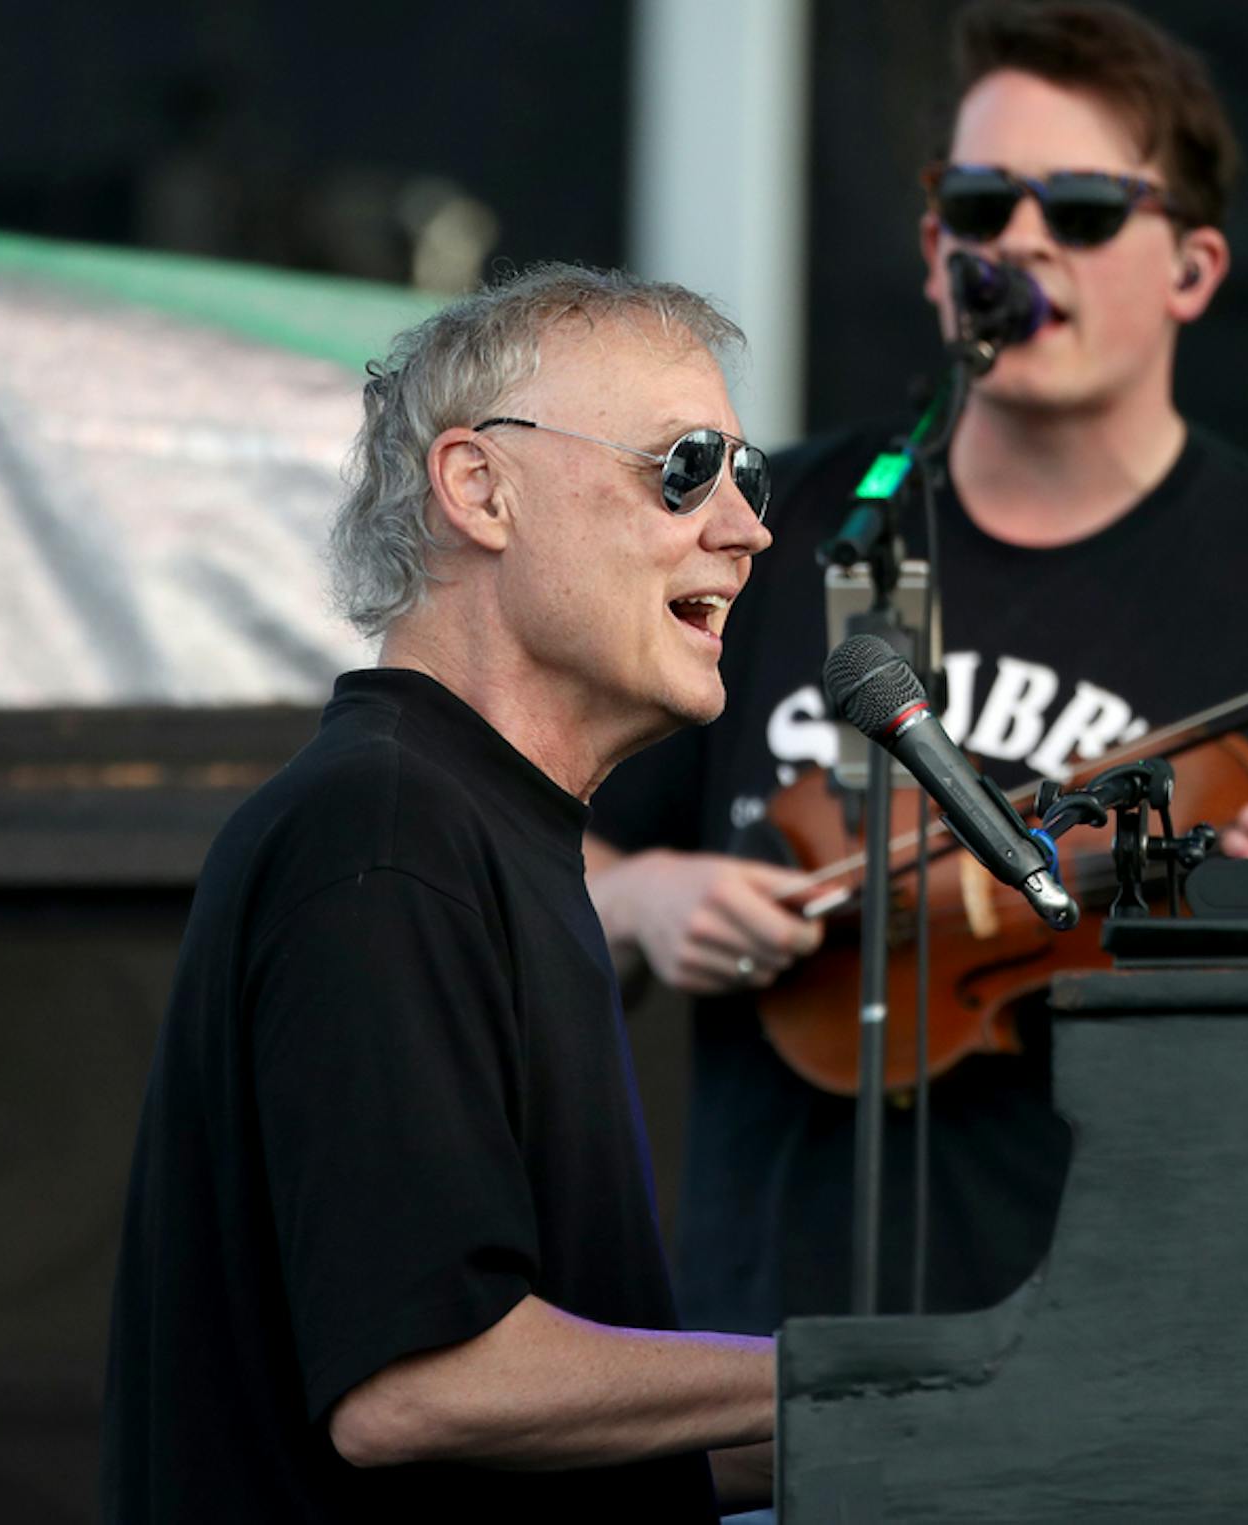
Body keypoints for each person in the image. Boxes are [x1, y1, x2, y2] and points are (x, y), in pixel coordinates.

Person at [586, 0, 1248, 1333]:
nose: (1017, 240)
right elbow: (529, 850)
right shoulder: (771, 533)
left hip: (1140, 1355)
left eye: (1080, 209)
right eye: (978, 203)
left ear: (1192, 268)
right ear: (932, 250)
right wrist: (642, 897)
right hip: (762, 1354)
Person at [100, 265, 778, 1520]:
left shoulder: (472, 827)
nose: (745, 528)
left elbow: (571, 1440)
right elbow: (419, 1381)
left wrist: (922, 1419)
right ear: (479, 487)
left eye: (752, 476)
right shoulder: (386, 830)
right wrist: (834, 1380)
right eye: (686, 467)